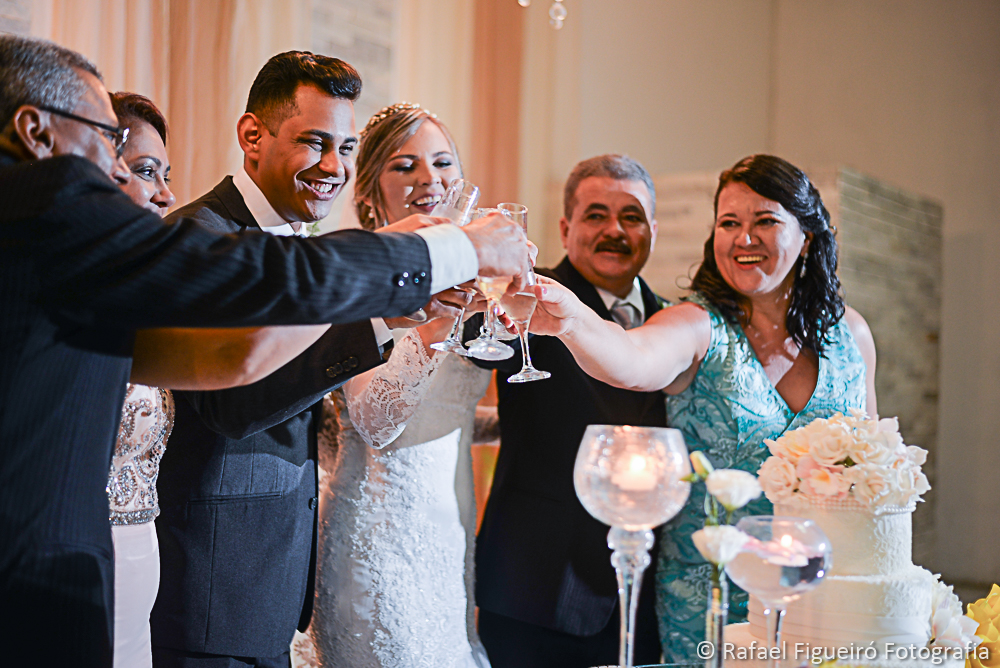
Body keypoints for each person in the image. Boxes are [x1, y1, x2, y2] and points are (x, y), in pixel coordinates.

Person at [0, 35, 529, 668]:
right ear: (33, 130)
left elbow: (232, 359)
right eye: (108, 139)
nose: (122, 171)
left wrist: (386, 313)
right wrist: (449, 247)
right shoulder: (45, 211)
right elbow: (270, 284)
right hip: (45, 578)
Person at [529, 154, 878, 661]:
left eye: (765, 222)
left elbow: (872, 463)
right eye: (729, 223)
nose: (744, 238)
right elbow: (631, 359)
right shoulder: (697, 324)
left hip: (825, 592)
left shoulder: (853, 334)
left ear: (806, 236)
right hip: (712, 599)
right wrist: (567, 317)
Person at [106, 91, 347, 668]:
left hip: (261, 576)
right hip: (203, 583)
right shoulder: (195, 235)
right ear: (252, 136)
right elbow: (230, 402)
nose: (334, 165)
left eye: (346, 148)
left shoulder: (292, 240)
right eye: (316, 141)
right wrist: (376, 310)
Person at [304, 102, 495, 668]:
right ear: (368, 192)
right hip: (380, 530)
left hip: (447, 532)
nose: (428, 179)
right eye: (403, 167)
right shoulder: (362, 279)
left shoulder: (471, 281)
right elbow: (375, 421)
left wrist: (512, 422)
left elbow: (440, 411)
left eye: (441, 162)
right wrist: (436, 320)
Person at [467, 155, 668, 668]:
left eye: (632, 216)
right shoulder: (523, 299)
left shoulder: (675, 323)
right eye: (596, 215)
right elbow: (465, 343)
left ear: (652, 228)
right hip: (535, 589)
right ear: (565, 227)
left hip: (647, 599)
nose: (615, 231)